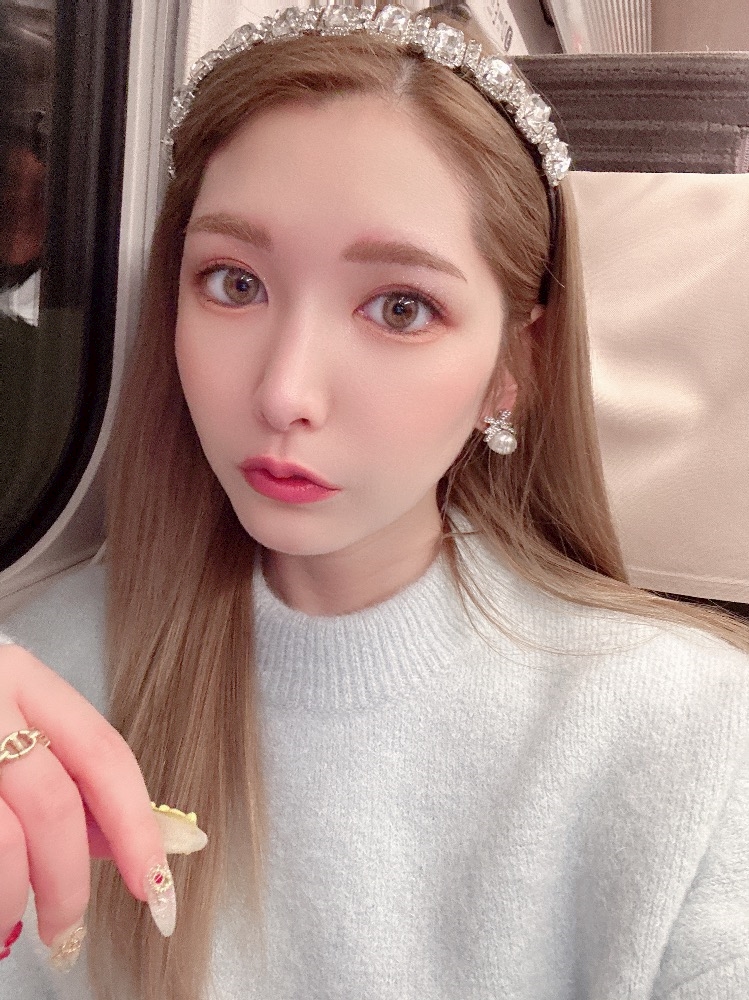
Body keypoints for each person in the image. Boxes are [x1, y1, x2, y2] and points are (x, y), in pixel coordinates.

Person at [1, 3, 748, 997]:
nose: (284, 393)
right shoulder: (37, 676)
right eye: (233, 283)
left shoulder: (687, 733)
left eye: (400, 307)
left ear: (512, 366)